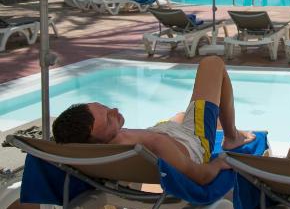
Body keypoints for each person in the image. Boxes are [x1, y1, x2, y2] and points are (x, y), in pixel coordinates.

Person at [52, 56, 255, 185]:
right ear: (100, 140)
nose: (114, 110)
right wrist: (218, 164)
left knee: (180, 116)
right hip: (193, 141)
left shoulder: (93, 151)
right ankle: (232, 137)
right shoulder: (154, 143)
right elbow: (200, 175)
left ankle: (220, 126)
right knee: (212, 64)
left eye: (105, 107)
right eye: (109, 118)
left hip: (167, 132)